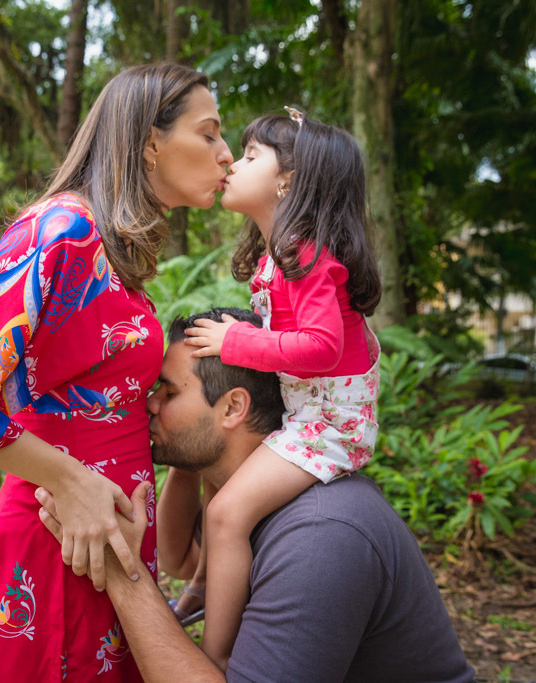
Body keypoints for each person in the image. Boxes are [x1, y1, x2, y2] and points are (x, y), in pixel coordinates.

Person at [0, 63, 233, 681]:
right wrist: (72, 482)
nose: (226, 154)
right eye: (211, 133)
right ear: (150, 143)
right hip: (51, 554)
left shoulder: (107, 249)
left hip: (103, 551)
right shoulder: (64, 228)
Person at [36, 308, 477, 682]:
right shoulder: (235, 490)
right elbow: (180, 560)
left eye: (168, 392)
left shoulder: (320, 535)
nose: (148, 404)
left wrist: (122, 574)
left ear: (233, 408)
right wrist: (185, 461)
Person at [176, 108, 383, 668]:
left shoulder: (311, 259)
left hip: (329, 429)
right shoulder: (285, 256)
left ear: (287, 180)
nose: (231, 163)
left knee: (225, 516)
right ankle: (203, 588)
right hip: (304, 413)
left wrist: (235, 341)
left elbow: (321, 348)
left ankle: (215, 660)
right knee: (219, 486)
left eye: (248, 156)